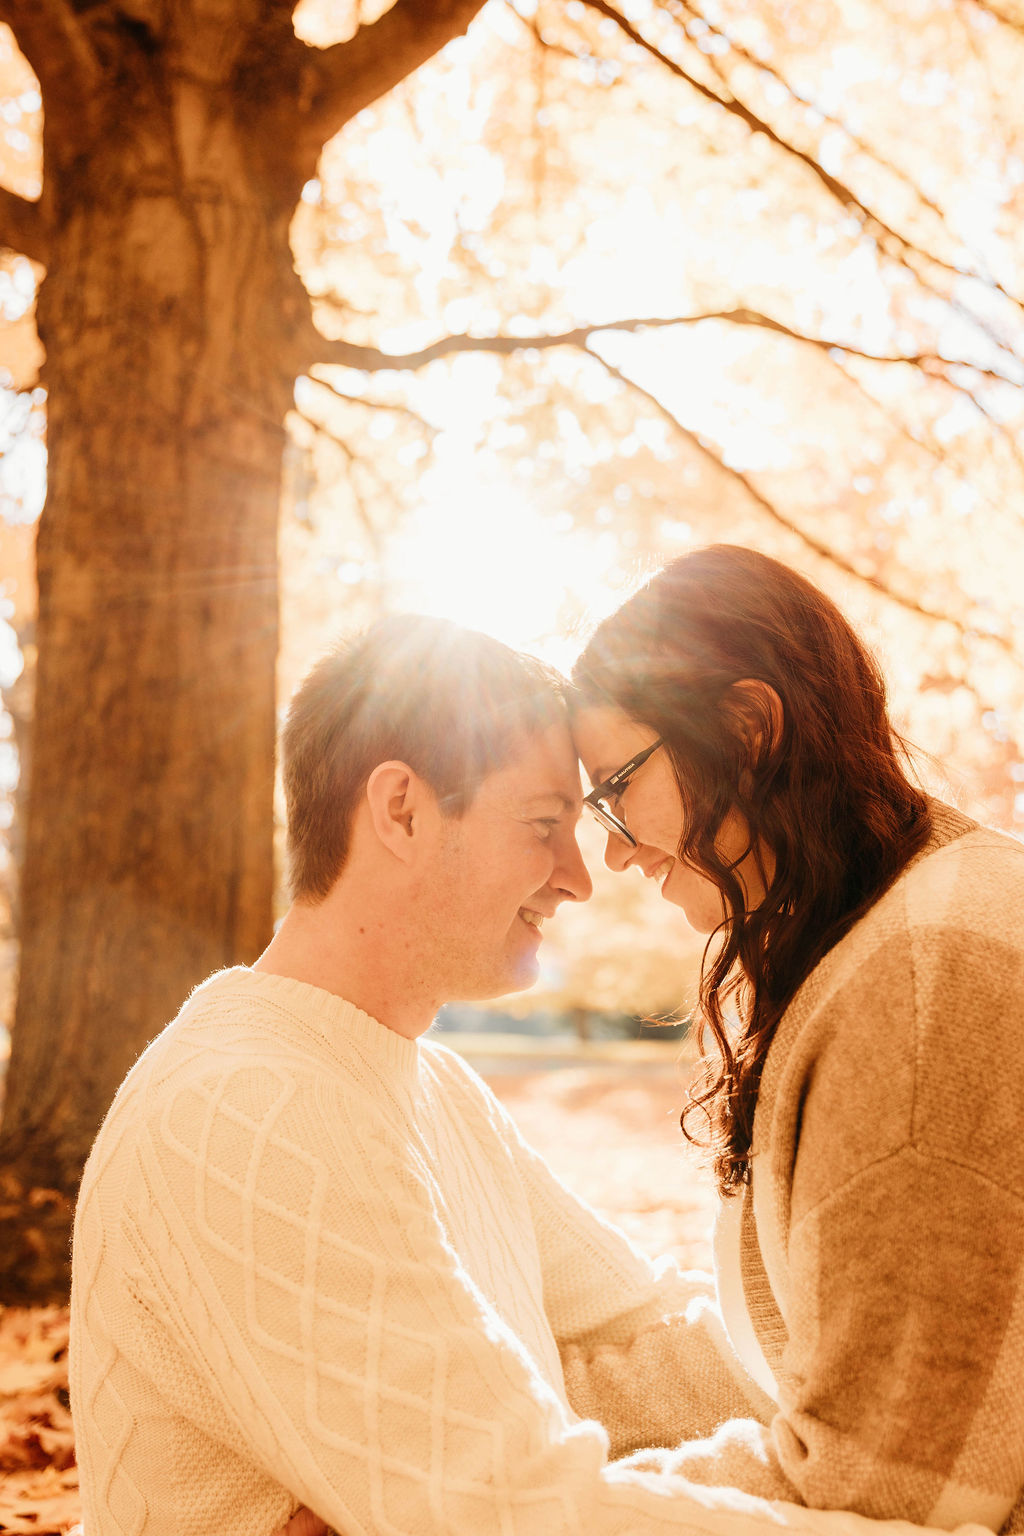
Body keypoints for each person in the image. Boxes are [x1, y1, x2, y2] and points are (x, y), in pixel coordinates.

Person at [68, 613, 980, 1536]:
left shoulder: (435, 1091)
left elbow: (654, 1339)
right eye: (545, 824)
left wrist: (923, 1373)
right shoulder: (246, 1110)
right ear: (403, 811)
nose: (580, 877)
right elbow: (514, 1513)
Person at [568, 544, 1024, 1533]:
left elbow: (891, 1494)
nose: (608, 850)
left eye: (617, 786)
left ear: (747, 729)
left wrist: (481, 1506)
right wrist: (502, 1416)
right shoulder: (884, 927)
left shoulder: (921, 984)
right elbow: (790, 1350)